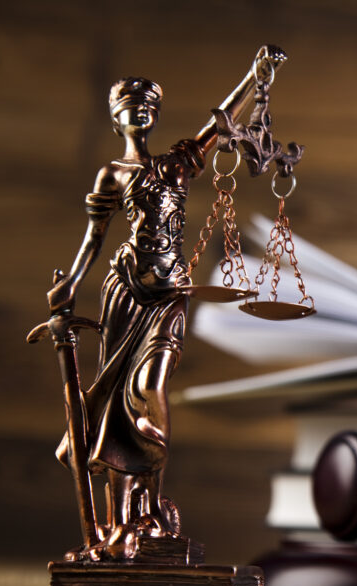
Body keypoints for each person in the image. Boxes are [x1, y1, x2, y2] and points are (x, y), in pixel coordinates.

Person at [46, 48, 284, 559]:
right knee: (113, 404)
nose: (141, 110)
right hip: (126, 293)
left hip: (169, 295)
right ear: (116, 117)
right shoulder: (111, 173)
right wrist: (71, 285)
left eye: (149, 103)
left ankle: (150, 506)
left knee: (150, 388)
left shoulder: (176, 163)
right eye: (131, 104)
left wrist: (253, 77)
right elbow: (94, 237)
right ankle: (117, 525)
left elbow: (217, 127)